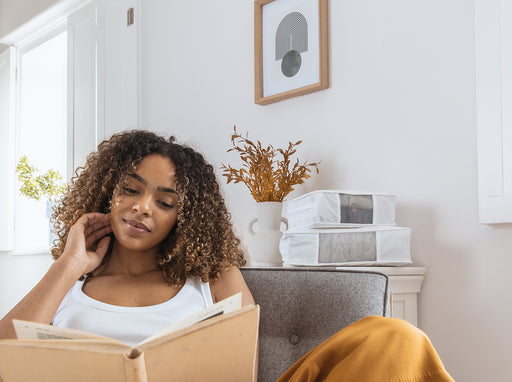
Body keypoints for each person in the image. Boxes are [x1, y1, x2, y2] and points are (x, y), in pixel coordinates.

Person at [0, 130, 454, 381]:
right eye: (131, 190)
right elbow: (4, 355)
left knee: (395, 338)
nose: (142, 207)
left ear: (184, 216)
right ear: (107, 193)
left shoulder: (212, 276)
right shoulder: (69, 284)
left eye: (164, 201)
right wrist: (68, 265)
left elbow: (241, 372)